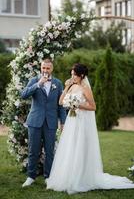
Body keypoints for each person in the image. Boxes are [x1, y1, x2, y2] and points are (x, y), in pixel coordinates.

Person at [46, 63, 134, 194]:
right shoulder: (72, 86)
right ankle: (67, 176)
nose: (72, 76)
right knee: (70, 147)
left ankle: (81, 177)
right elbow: (60, 102)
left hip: (81, 122)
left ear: (81, 75)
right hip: (71, 121)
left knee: (80, 147)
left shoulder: (85, 88)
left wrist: (78, 105)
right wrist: (66, 87)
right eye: (71, 74)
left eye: (74, 75)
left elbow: (93, 107)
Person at [21, 58, 66, 187]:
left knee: (50, 151)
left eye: (48, 68)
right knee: (33, 150)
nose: (45, 70)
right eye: (43, 68)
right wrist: (38, 84)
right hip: (35, 121)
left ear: (52, 69)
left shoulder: (57, 83)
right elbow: (23, 94)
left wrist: (63, 122)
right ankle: (31, 176)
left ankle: (48, 176)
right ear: (41, 68)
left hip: (51, 122)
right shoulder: (34, 81)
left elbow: (61, 105)